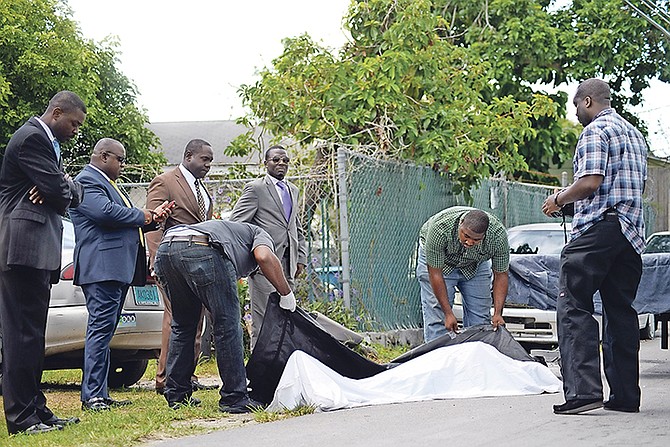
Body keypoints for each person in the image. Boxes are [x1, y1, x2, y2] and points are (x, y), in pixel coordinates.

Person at [542, 78, 648, 415]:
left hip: (600, 228)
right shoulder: (635, 135)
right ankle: (625, 397)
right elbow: (620, 187)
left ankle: (583, 392)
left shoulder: (595, 132)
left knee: (573, 302)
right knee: (620, 312)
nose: (575, 114)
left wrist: (559, 198)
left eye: (575, 106)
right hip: (629, 233)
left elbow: (590, 182)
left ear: (588, 101)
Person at [0, 91, 86, 435]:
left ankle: (37, 410)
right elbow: (58, 192)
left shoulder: (47, 143)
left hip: (36, 250)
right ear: (57, 112)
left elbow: (64, 191)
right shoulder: (33, 137)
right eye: (74, 123)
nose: (76, 130)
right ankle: (21, 419)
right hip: (22, 250)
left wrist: (59, 185)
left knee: (34, 336)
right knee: (21, 336)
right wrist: (58, 186)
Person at [69, 138, 173, 412]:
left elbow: (125, 222)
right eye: (120, 159)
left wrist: (152, 219)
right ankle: (92, 396)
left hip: (115, 268)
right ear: (103, 156)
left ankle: (100, 393)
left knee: (105, 332)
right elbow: (106, 213)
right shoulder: (87, 181)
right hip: (101, 268)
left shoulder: (110, 185)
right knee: (100, 331)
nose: (123, 164)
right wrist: (145, 215)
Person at [153, 219, 297, 412]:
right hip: (202, 248)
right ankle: (234, 397)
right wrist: (286, 294)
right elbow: (264, 257)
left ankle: (177, 395)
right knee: (227, 325)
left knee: (183, 324)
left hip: (166, 250)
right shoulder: (260, 234)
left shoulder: (231, 233)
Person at [145, 138, 216, 395]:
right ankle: (165, 378)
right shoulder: (165, 181)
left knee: (196, 321)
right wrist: (155, 259)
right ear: (188, 156)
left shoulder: (202, 189)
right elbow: (154, 223)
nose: (208, 165)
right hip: (171, 261)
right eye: (204, 159)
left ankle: (186, 375)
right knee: (176, 318)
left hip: (199, 264)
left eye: (210, 161)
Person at [231, 145, 307, 349]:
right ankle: (258, 371)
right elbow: (237, 224)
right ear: (265, 163)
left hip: (288, 263)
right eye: (275, 160)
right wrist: (246, 259)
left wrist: (300, 257)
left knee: (286, 316)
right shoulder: (256, 188)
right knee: (263, 319)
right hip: (264, 265)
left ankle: (280, 364)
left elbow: (295, 225)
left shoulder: (293, 190)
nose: (281, 163)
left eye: (285, 160)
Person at [416, 206, 509, 343]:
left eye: (476, 240)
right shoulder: (439, 229)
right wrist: (448, 313)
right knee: (439, 317)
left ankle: (474, 359)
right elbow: (435, 274)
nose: (470, 242)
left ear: (485, 234)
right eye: (466, 236)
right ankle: (439, 360)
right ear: (461, 223)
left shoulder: (497, 236)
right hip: (440, 264)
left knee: (480, 320)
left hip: (475, 263)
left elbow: (501, 275)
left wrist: (497, 313)